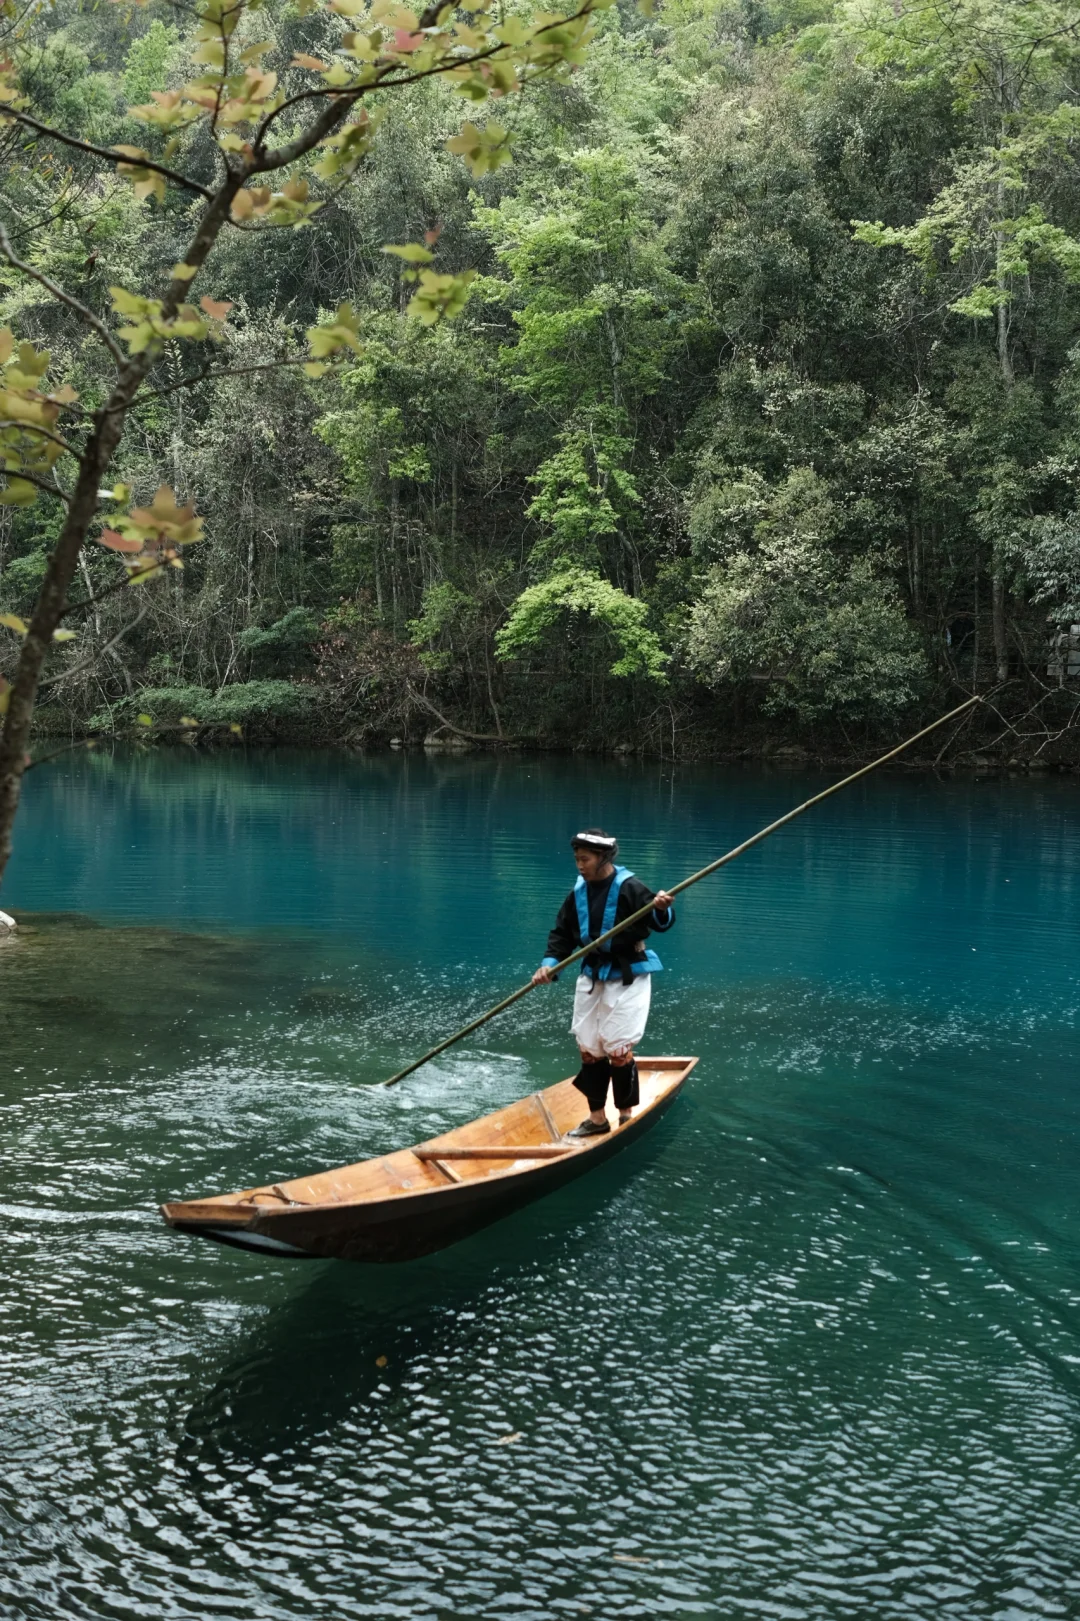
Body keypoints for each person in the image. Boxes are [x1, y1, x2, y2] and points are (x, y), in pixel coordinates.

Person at [532, 828, 675, 1138]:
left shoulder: (630, 887)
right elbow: (561, 935)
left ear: (603, 858)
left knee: (619, 1050)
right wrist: (549, 966)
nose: (580, 865)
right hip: (591, 975)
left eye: (585, 859)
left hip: (628, 976)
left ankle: (625, 1116)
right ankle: (597, 1120)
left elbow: (659, 920)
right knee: (589, 1050)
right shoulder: (578, 893)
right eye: (577, 859)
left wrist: (662, 908)